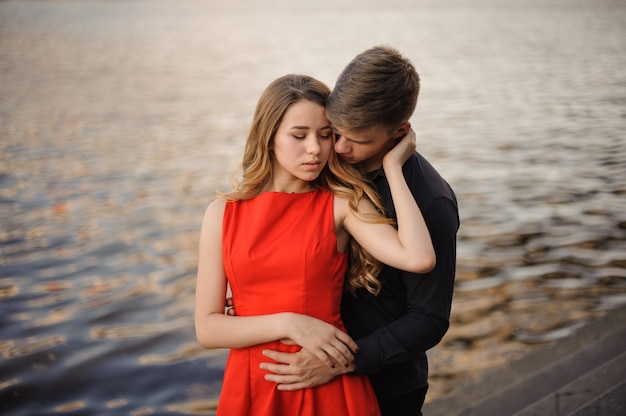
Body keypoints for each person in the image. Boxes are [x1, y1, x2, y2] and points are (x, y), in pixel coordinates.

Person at [195, 74, 436, 416]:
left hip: (327, 383)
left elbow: (419, 257)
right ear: (269, 137)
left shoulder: (339, 203)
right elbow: (207, 328)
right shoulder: (221, 214)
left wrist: (393, 167)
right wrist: (288, 323)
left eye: (326, 135)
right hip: (253, 384)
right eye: (299, 135)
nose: (316, 148)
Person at [258, 46, 460, 415]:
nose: (339, 147)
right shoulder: (326, 162)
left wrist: (342, 360)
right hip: (302, 375)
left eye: (359, 139)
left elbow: (429, 319)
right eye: (336, 131)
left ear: (400, 131)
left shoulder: (431, 202)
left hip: (383, 387)